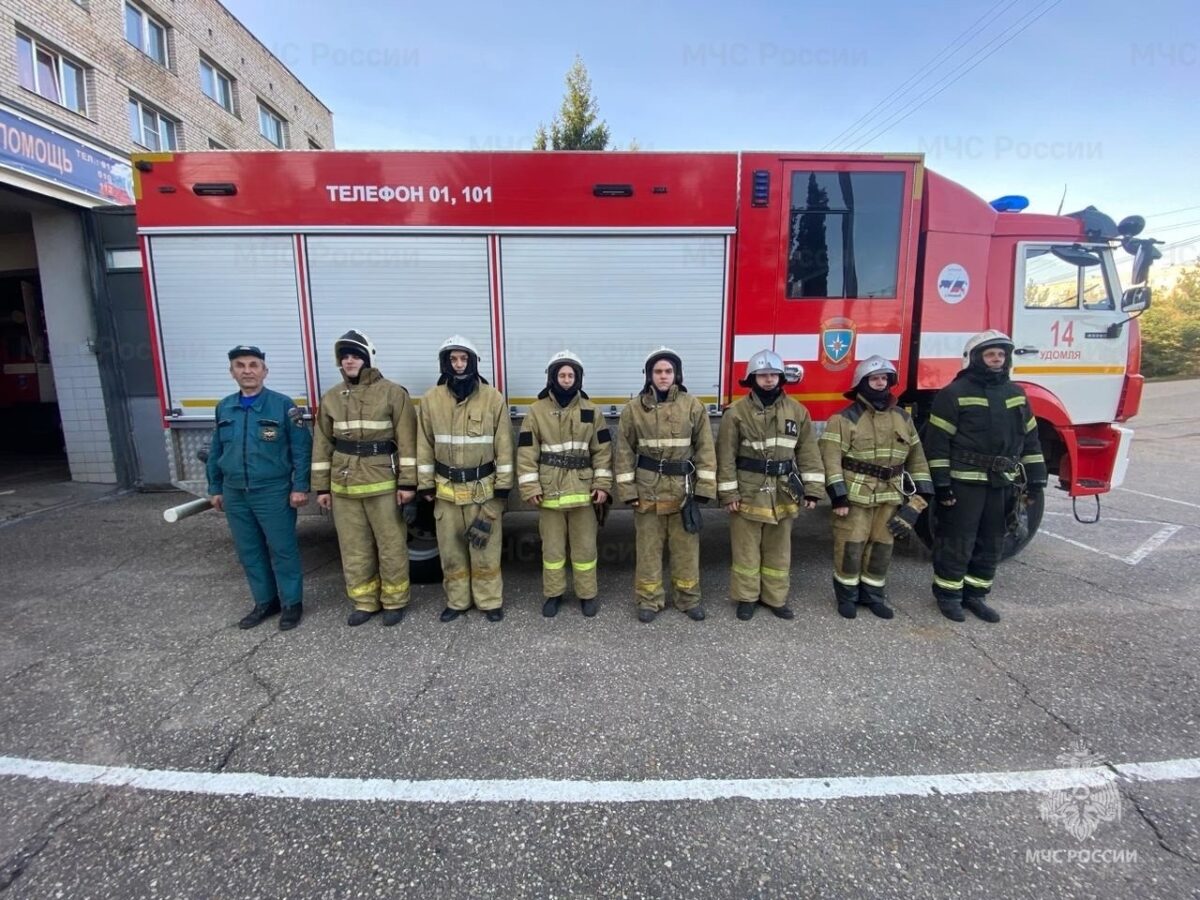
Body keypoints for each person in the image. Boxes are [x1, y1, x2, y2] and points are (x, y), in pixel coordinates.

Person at [924, 331, 1047, 623]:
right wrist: (941, 485)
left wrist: (1037, 480)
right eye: (990, 354)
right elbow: (937, 445)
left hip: (1001, 482)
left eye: (1001, 355)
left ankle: (976, 595)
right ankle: (949, 596)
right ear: (975, 359)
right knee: (957, 539)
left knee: (992, 540)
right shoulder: (953, 394)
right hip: (964, 481)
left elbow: (1030, 440)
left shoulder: (1016, 395)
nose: (996, 359)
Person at [311, 330, 418, 627]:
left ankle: (395, 600)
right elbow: (322, 444)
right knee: (353, 546)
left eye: (355, 355)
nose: (349, 361)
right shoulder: (332, 397)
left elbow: (408, 442)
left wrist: (408, 484)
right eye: (344, 356)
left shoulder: (393, 393)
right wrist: (321, 486)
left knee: (391, 544)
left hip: (383, 481)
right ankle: (365, 601)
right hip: (343, 485)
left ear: (367, 358)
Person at [206, 345, 311, 631]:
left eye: (254, 365)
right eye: (240, 365)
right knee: (249, 551)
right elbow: (217, 450)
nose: (247, 370)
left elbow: (302, 449)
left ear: (265, 370)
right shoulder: (224, 407)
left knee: (283, 549)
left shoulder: (283, 406)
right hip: (235, 492)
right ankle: (265, 602)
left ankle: (292, 603)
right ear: (232, 372)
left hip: (272, 490)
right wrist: (215, 487)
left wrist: (300, 486)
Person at [820, 356, 933, 620]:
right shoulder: (843, 419)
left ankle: (873, 596)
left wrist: (919, 501)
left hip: (891, 493)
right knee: (851, 545)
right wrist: (838, 497)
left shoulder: (903, 419)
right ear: (861, 383)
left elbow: (917, 459)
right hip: (856, 492)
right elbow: (831, 458)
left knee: (883, 546)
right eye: (874, 378)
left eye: (884, 378)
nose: (880, 382)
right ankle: (847, 596)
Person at [716, 349, 823, 620]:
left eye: (773, 374)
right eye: (762, 375)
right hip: (748, 490)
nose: (768, 380)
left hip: (784, 491)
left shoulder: (798, 411)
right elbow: (725, 455)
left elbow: (808, 452)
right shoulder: (736, 413)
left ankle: (775, 598)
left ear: (780, 377)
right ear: (752, 378)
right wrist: (729, 493)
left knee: (779, 550)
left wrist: (812, 489)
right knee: (746, 549)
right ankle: (747, 598)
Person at [615, 347, 717, 622]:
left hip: (683, 493)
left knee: (686, 550)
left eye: (668, 371)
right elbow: (624, 452)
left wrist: (705, 490)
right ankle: (649, 601)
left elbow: (706, 449)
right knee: (648, 550)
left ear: (677, 374)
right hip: (647, 492)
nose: (663, 376)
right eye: (657, 371)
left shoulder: (693, 406)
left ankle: (688, 599)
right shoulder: (634, 409)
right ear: (649, 375)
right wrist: (627, 491)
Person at [417, 335, 514, 621]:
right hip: (445, 492)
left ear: (472, 362)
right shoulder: (431, 400)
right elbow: (423, 443)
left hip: (481, 492)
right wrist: (424, 485)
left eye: (463, 359)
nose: (458, 364)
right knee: (451, 553)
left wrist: (503, 490)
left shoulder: (492, 398)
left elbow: (504, 446)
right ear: (445, 363)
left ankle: (490, 602)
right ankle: (457, 602)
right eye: (453, 359)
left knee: (485, 550)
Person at [517, 351, 613, 618]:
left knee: (585, 549)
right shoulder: (536, 412)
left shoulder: (591, 411)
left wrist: (603, 485)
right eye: (562, 375)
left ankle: (587, 595)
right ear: (552, 377)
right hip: (549, 492)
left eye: (571, 375)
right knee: (552, 550)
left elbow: (603, 451)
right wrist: (531, 487)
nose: (567, 380)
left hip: (584, 494)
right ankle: (554, 594)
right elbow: (526, 453)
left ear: (578, 378)